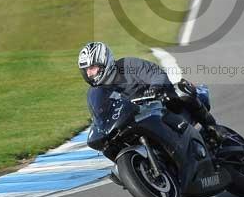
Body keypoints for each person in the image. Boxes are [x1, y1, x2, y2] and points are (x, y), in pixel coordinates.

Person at [77, 41, 221, 144]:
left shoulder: (127, 65)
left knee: (182, 90)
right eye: (87, 70)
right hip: (132, 119)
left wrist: (156, 87)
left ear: (104, 62)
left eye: (93, 68)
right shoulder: (96, 92)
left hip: (158, 104)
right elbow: (100, 114)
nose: (90, 74)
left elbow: (156, 73)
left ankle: (213, 128)